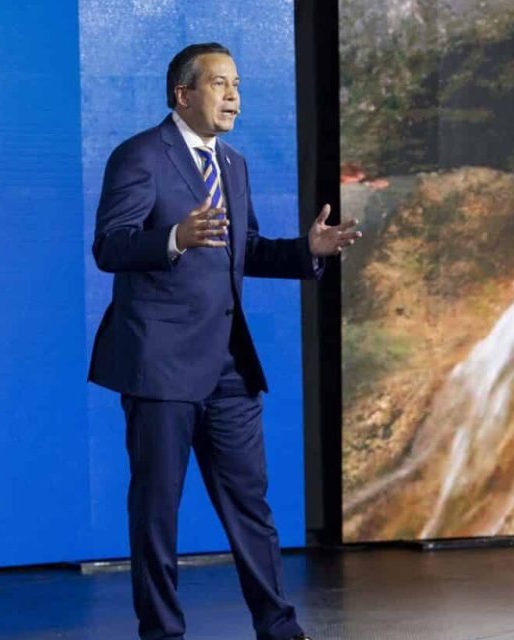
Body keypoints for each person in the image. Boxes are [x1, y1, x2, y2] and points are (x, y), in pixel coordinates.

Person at [89, 42, 360, 640]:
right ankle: (162, 633)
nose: (234, 94)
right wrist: (175, 237)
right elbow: (110, 245)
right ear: (183, 94)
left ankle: (279, 627)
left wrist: (305, 252)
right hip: (159, 366)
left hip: (229, 366)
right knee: (157, 515)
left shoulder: (233, 165)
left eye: (237, 83)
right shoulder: (140, 157)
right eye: (219, 83)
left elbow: (249, 250)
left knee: (251, 508)